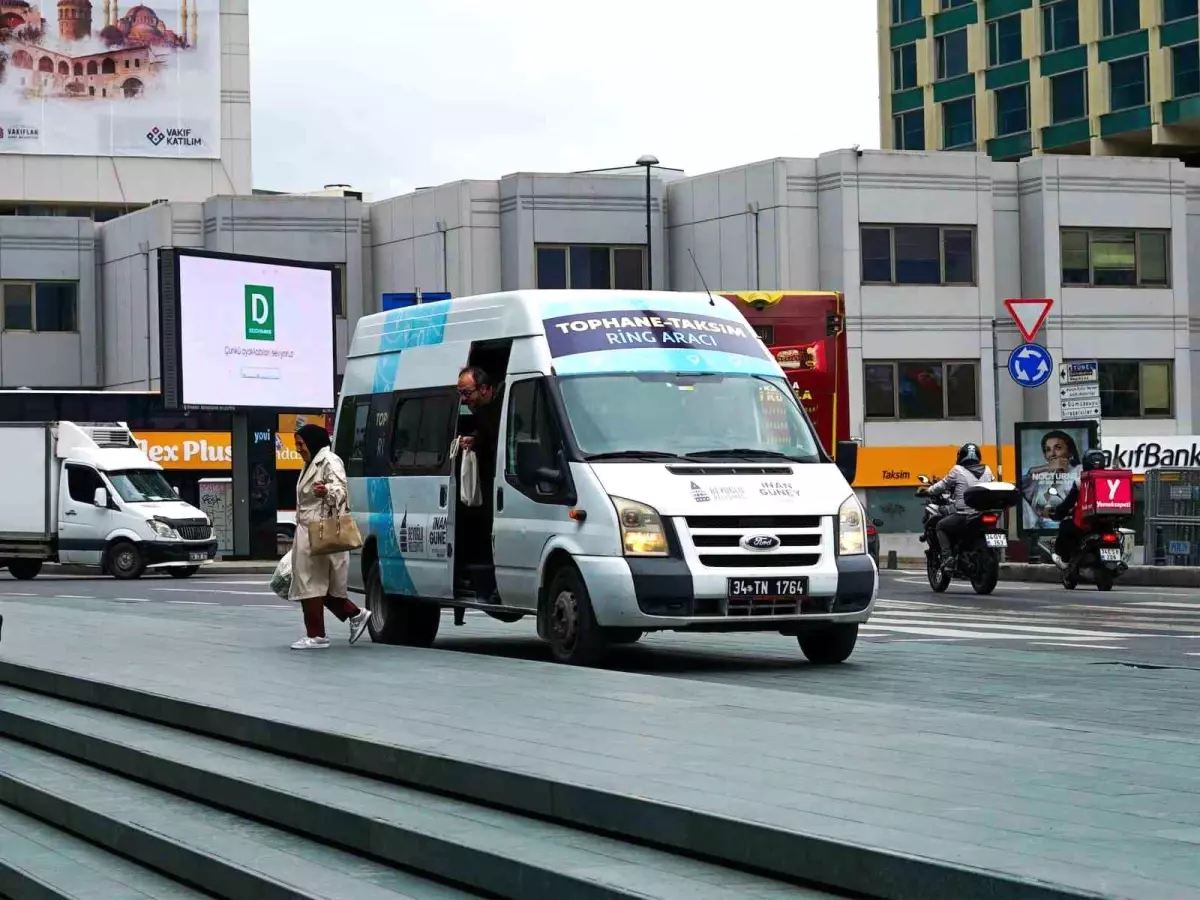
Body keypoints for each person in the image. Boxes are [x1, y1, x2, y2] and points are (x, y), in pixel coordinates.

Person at [289, 423, 371, 650]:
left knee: (311, 584)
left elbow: (341, 489)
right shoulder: (310, 463)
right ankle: (354, 615)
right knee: (315, 585)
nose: (298, 449)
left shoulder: (329, 460)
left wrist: (327, 492)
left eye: (301, 444)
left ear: (313, 442)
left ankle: (317, 635)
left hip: (319, 530)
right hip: (309, 530)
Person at [455, 366, 503, 591]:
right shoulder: (482, 412)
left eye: (467, 393)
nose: (464, 401)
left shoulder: (503, 407)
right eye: (461, 394)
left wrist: (478, 441)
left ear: (484, 389)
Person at [922, 442, 994, 571]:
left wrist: (928, 490)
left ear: (961, 456)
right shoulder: (987, 470)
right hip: (983, 513)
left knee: (941, 527)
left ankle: (947, 557)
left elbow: (942, 485)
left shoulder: (957, 470)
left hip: (963, 515)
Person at [1047, 448, 1108, 568]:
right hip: (1107, 525)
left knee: (1065, 527)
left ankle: (1065, 561)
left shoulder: (1081, 481)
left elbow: (1068, 503)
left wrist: (1058, 513)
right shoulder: (1112, 479)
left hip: (1085, 526)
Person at [1020, 429, 1081, 531]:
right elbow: (1021, 485)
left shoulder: (1079, 470)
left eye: (1058, 448)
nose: (1052, 454)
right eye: (1048, 450)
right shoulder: (1042, 474)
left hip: (1071, 526)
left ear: (1070, 452)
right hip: (1041, 526)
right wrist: (1046, 468)